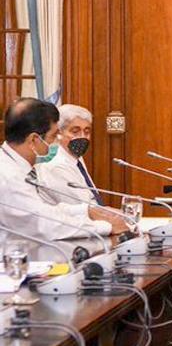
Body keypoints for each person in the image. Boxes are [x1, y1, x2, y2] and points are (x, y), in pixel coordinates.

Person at [0, 98, 125, 240]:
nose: (54, 142)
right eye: (53, 136)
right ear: (34, 140)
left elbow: (43, 210)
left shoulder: (12, 165)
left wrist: (86, 211)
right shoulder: (9, 176)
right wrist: (106, 227)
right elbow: (45, 225)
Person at [38, 104, 103, 205]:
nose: (82, 137)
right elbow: (85, 207)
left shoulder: (76, 159)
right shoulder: (56, 167)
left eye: (87, 132)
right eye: (75, 131)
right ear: (59, 133)